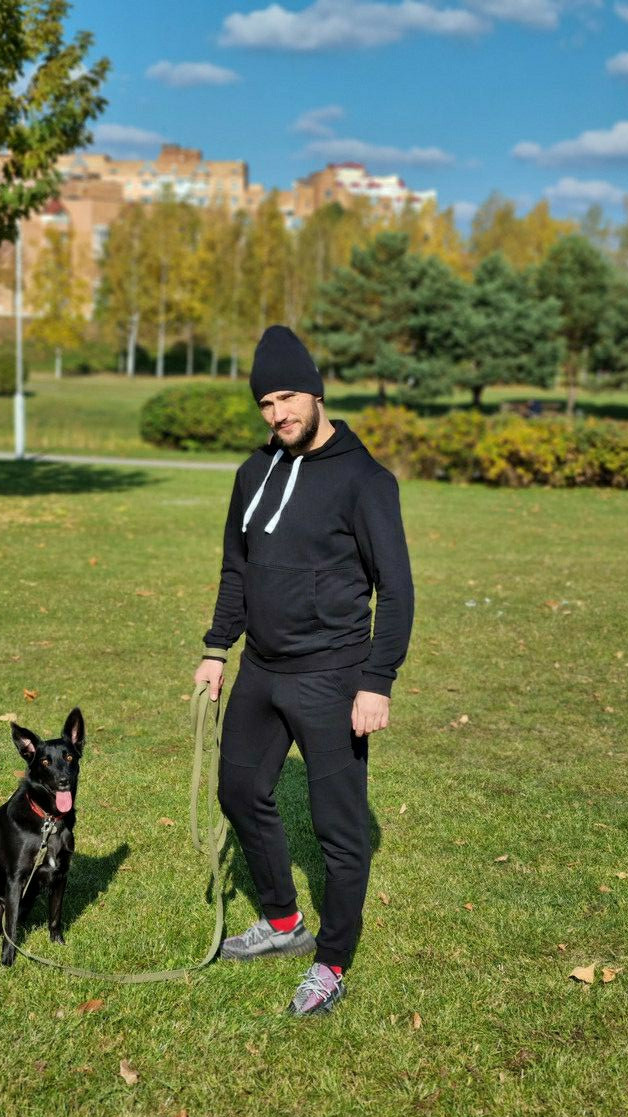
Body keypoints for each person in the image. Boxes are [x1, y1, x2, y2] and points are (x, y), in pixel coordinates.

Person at [193, 325, 414, 1017]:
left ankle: (334, 961)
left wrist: (376, 681)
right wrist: (215, 647)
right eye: (265, 403)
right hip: (260, 666)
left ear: (316, 392)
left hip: (333, 674)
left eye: (287, 397)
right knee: (238, 791)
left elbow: (397, 589)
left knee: (338, 829)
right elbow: (238, 567)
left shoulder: (364, 480)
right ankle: (285, 924)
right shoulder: (252, 473)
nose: (277, 413)